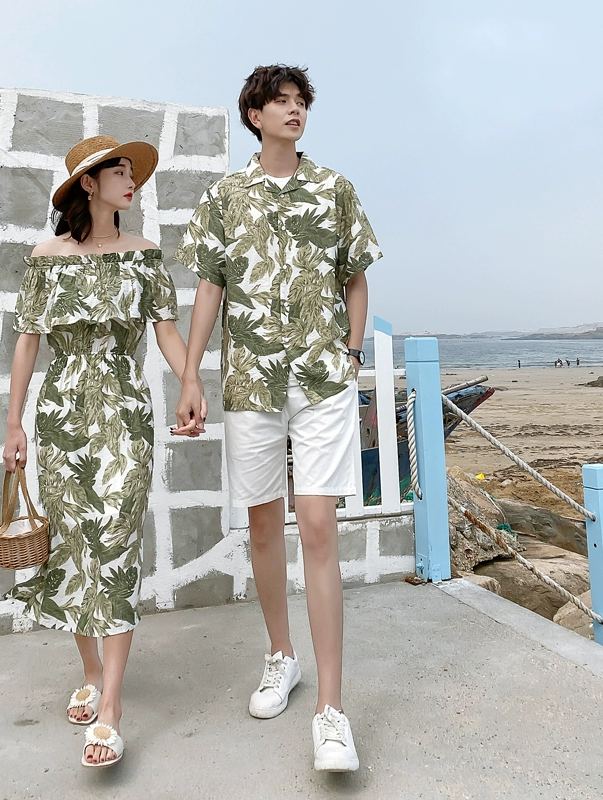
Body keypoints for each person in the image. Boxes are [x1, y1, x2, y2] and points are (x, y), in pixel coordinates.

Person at [173, 64, 382, 772]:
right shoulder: (225, 197)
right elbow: (209, 286)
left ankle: (332, 711)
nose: (295, 111)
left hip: (321, 380)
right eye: (281, 102)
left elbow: (356, 277)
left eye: (301, 102)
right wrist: (191, 375)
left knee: (317, 524)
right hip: (250, 380)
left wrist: (351, 352)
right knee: (263, 523)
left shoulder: (334, 189)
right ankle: (281, 655)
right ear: (254, 115)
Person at [3, 136, 203, 768]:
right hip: (61, 419)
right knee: (74, 546)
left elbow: (166, 332)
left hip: (124, 416)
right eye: (117, 171)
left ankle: (111, 707)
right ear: (87, 185)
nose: (130, 179)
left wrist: (191, 383)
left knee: (114, 544)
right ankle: (91, 671)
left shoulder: (144, 255)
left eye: (131, 171)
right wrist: (14, 424)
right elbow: (27, 343)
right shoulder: (46, 258)